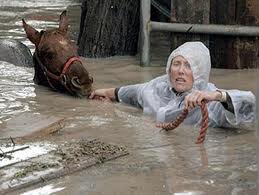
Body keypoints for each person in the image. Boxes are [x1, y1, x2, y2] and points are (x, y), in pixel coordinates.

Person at [89, 42, 255, 128]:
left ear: (199, 73)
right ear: (169, 68)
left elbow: (249, 106)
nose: (181, 71)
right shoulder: (155, 88)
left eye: (188, 66)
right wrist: (98, 94)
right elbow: (124, 93)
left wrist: (218, 95)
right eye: (176, 64)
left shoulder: (211, 103)